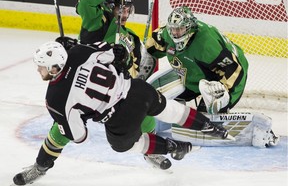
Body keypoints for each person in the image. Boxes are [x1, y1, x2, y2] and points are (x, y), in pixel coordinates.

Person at [12, 41, 231, 185]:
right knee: (169, 110)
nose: (38, 71)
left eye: (41, 67)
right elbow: (114, 52)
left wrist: (86, 113)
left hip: (119, 118)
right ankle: (211, 127)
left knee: (124, 144)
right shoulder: (78, 51)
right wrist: (118, 56)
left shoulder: (55, 98)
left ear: (54, 68)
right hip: (137, 90)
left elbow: (79, 136)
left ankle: (170, 147)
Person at [56, 0, 161, 167]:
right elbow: (85, 2)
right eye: (120, 9)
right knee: (64, 122)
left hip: (114, 92)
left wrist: (126, 66)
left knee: (144, 113)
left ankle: (151, 151)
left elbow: (136, 70)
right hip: (86, 85)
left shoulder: (132, 38)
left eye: (127, 10)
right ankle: (43, 163)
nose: (124, 14)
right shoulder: (98, 22)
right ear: (109, 8)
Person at [145, 6, 249, 115]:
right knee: (162, 102)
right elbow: (152, 46)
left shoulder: (207, 45)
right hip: (194, 73)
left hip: (226, 74)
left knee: (207, 113)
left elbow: (236, 69)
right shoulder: (168, 33)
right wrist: (144, 56)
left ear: (190, 28)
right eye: (173, 29)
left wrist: (224, 98)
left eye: (180, 29)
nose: (175, 33)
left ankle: (216, 121)